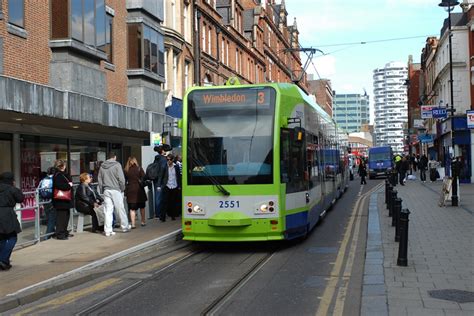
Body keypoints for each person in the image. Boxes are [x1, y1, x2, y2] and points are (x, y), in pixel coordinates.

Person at [98, 152, 130, 237]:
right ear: (114, 157)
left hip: (106, 190)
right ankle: (125, 226)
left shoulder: (102, 166)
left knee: (108, 211)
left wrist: (102, 190)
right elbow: (121, 179)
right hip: (116, 190)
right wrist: (122, 189)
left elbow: (100, 179)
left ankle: (108, 230)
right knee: (120, 209)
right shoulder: (117, 165)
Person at [0, 172, 24, 270]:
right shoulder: (12, 189)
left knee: (1, 238)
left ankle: (4, 261)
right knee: (12, 237)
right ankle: (3, 259)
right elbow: (20, 199)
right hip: (7, 214)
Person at [52, 160, 74, 240]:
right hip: (61, 200)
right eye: (64, 165)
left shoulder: (61, 174)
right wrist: (69, 185)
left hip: (64, 200)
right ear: (62, 166)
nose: (65, 167)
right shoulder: (58, 175)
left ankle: (64, 232)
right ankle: (60, 234)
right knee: (61, 218)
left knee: (66, 217)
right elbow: (60, 185)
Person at [145, 145, 168, 220]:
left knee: (157, 197)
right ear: (163, 151)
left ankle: (157, 213)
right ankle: (159, 214)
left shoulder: (156, 158)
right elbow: (162, 170)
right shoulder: (163, 159)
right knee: (160, 198)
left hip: (155, 180)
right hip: (161, 181)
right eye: (165, 150)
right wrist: (160, 183)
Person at [124, 157, 147, 228]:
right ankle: (143, 222)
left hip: (130, 190)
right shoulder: (139, 168)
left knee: (132, 209)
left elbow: (124, 180)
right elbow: (144, 177)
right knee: (142, 207)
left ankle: (133, 224)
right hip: (139, 190)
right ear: (135, 161)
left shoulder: (126, 170)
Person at [162, 154, 182, 221]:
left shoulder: (176, 167)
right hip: (167, 185)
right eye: (167, 159)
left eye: (170, 159)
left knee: (173, 202)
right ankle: (163, 217)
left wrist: (179, 186)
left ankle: (173, 216)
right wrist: (160, 185)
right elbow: (161, 176)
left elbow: (178, 176)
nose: (169, 161)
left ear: (173, 160)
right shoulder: (164, 166)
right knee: (165, 201)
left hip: (174, 186)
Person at [38, 167, 56, 239]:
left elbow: (39, 190)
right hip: (52, 200)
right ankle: (47, 236)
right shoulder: (54, 179)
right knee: (52, 218)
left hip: (45, 201)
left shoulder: (43, 180)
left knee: (49, 217)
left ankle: (53, 232)